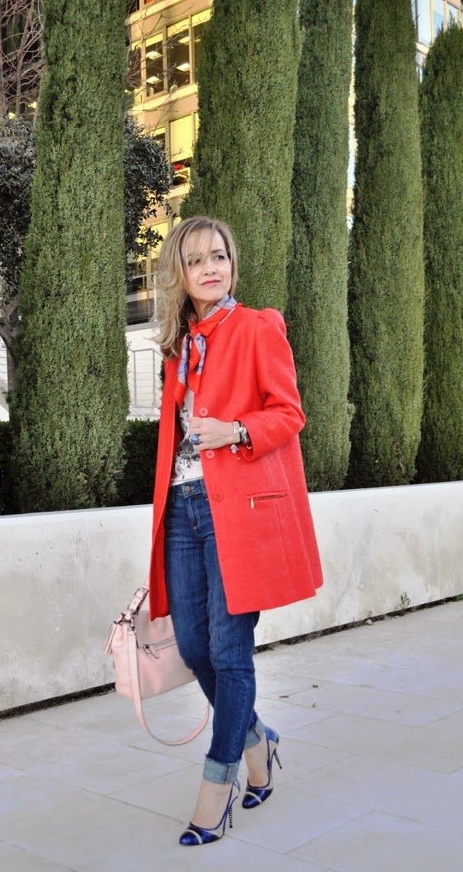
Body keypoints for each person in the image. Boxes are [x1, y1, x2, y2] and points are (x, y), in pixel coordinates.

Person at [147, 215, 323, 846]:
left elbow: (290, 411)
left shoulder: (256, 326)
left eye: (218, 255)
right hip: (184, 513)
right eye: (196, 260)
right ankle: (257, 739)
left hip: (237, 514)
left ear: (231, 262)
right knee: (194, 648)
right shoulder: (178, 343)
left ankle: (215, 790)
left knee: (229, 653)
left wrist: (237, 431)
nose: (210, 267)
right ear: (182, 274)